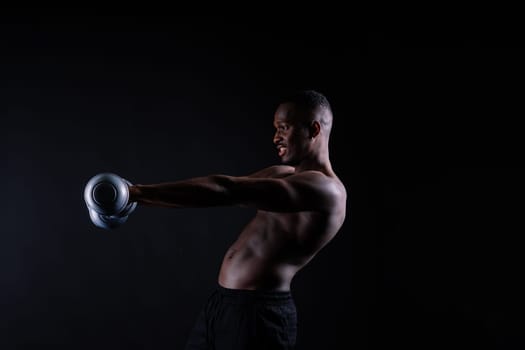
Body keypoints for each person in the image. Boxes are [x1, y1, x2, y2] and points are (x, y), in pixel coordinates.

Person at [128, 90, 347, 349]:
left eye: (283, 128)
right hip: (222, 305)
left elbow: (227, 190)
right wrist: (134, 199)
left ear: (313, 129)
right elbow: (219, 191)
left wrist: (135, 192)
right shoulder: (282, 173)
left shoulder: (326, 190)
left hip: (259, 316)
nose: (276, 137)